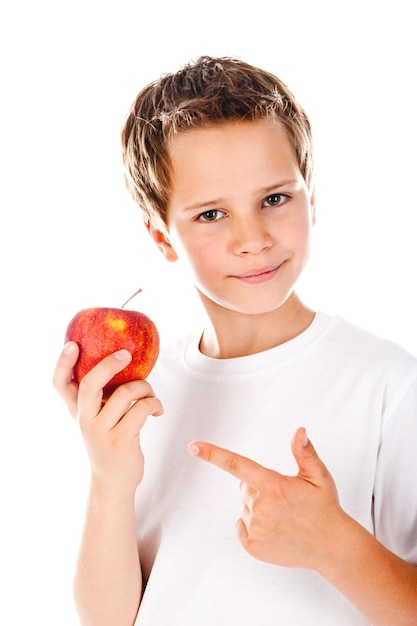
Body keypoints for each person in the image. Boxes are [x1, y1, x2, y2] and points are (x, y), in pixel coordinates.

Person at [53, 56, 417, 625]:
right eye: (212, 214)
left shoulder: (391, 385)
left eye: (275, 199)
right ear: (161, 235)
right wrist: (109, 481)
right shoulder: (145, 392)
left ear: (311, 198)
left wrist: (334, 543)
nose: (254, 239)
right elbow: (107, 620)